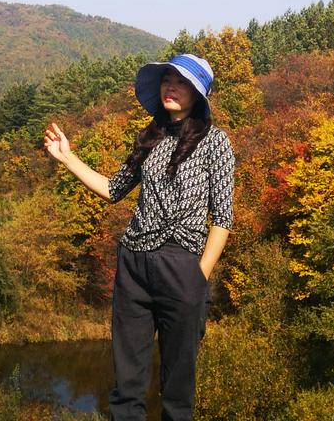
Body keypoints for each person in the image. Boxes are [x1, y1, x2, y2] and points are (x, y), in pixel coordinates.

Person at [43, 52, 235, 421]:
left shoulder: (216, 143)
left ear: (197, 94)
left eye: (181, 82)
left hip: (182, 266)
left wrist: (199, 276)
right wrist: (68, 159)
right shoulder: (151, 136)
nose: (171, 87)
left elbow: (223, 218)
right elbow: (114, 188)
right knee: (126, 386)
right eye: (167, 80)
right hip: (133, 263)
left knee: (178, 391)